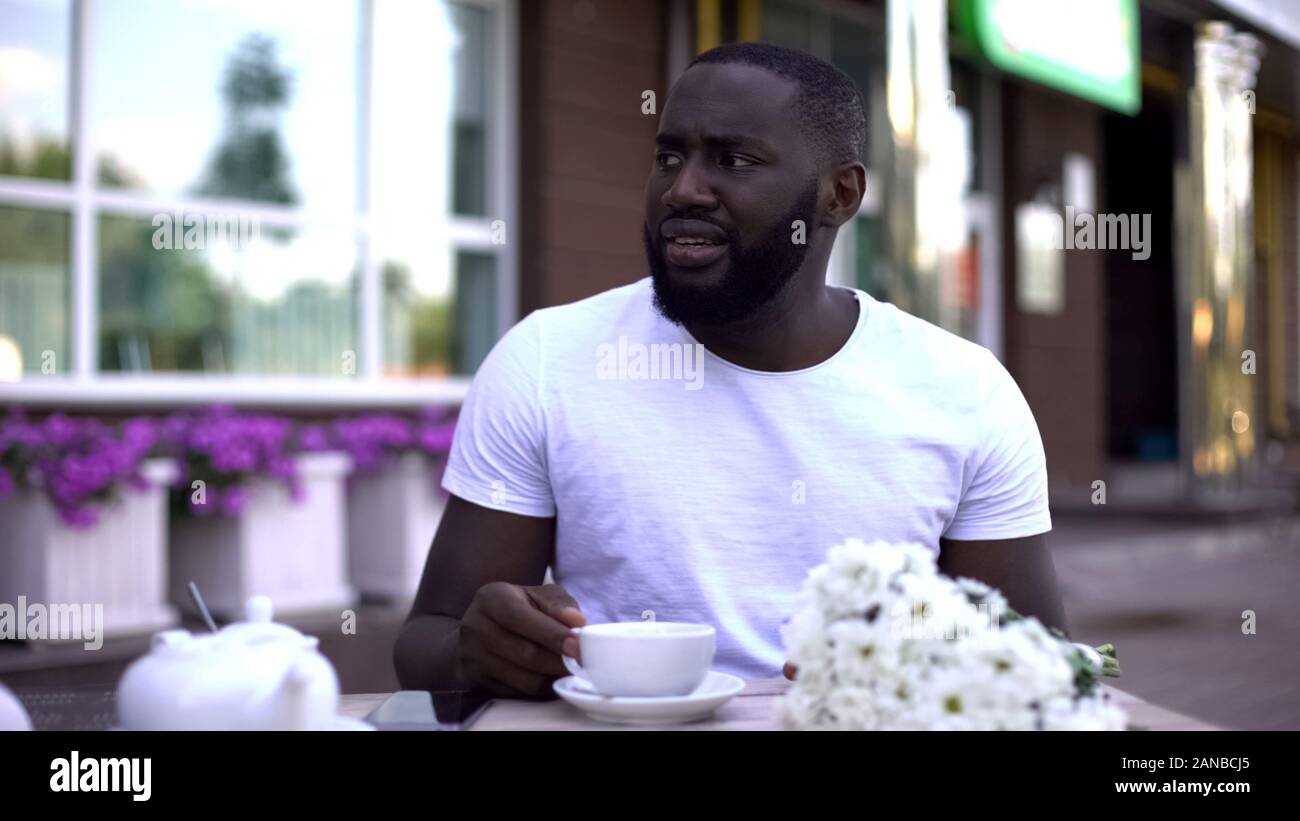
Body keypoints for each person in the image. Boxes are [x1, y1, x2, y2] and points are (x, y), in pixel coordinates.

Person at [394, 42, 1066, 698]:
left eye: (733, 160)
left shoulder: (964, 391)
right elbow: (426, 641)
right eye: (669, 156)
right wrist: (479, 650)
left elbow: (1041, 663)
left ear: (839, 194)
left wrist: (932, 665)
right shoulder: (547, 360)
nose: (683, 189)